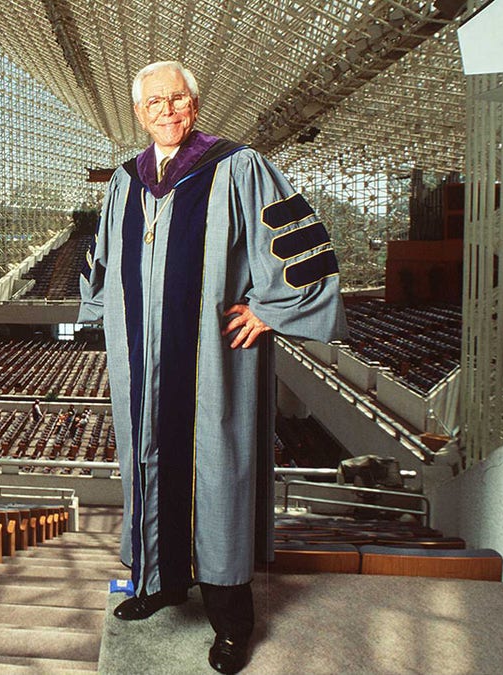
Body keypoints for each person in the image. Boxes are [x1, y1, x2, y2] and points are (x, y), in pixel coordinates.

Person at [78, 61, 346, 673]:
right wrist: (112, 321)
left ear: (194, 105)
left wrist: (272, 309)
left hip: (210, 358)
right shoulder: (124, 181)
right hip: (142, 362)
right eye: (154, 103)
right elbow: (101, 262)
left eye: (177, 100)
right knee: (146, 460)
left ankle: (231, 620)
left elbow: (298, 246)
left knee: (217, 469)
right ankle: (162, 584)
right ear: (139, 113)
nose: (167, 111)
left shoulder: (236, 167)